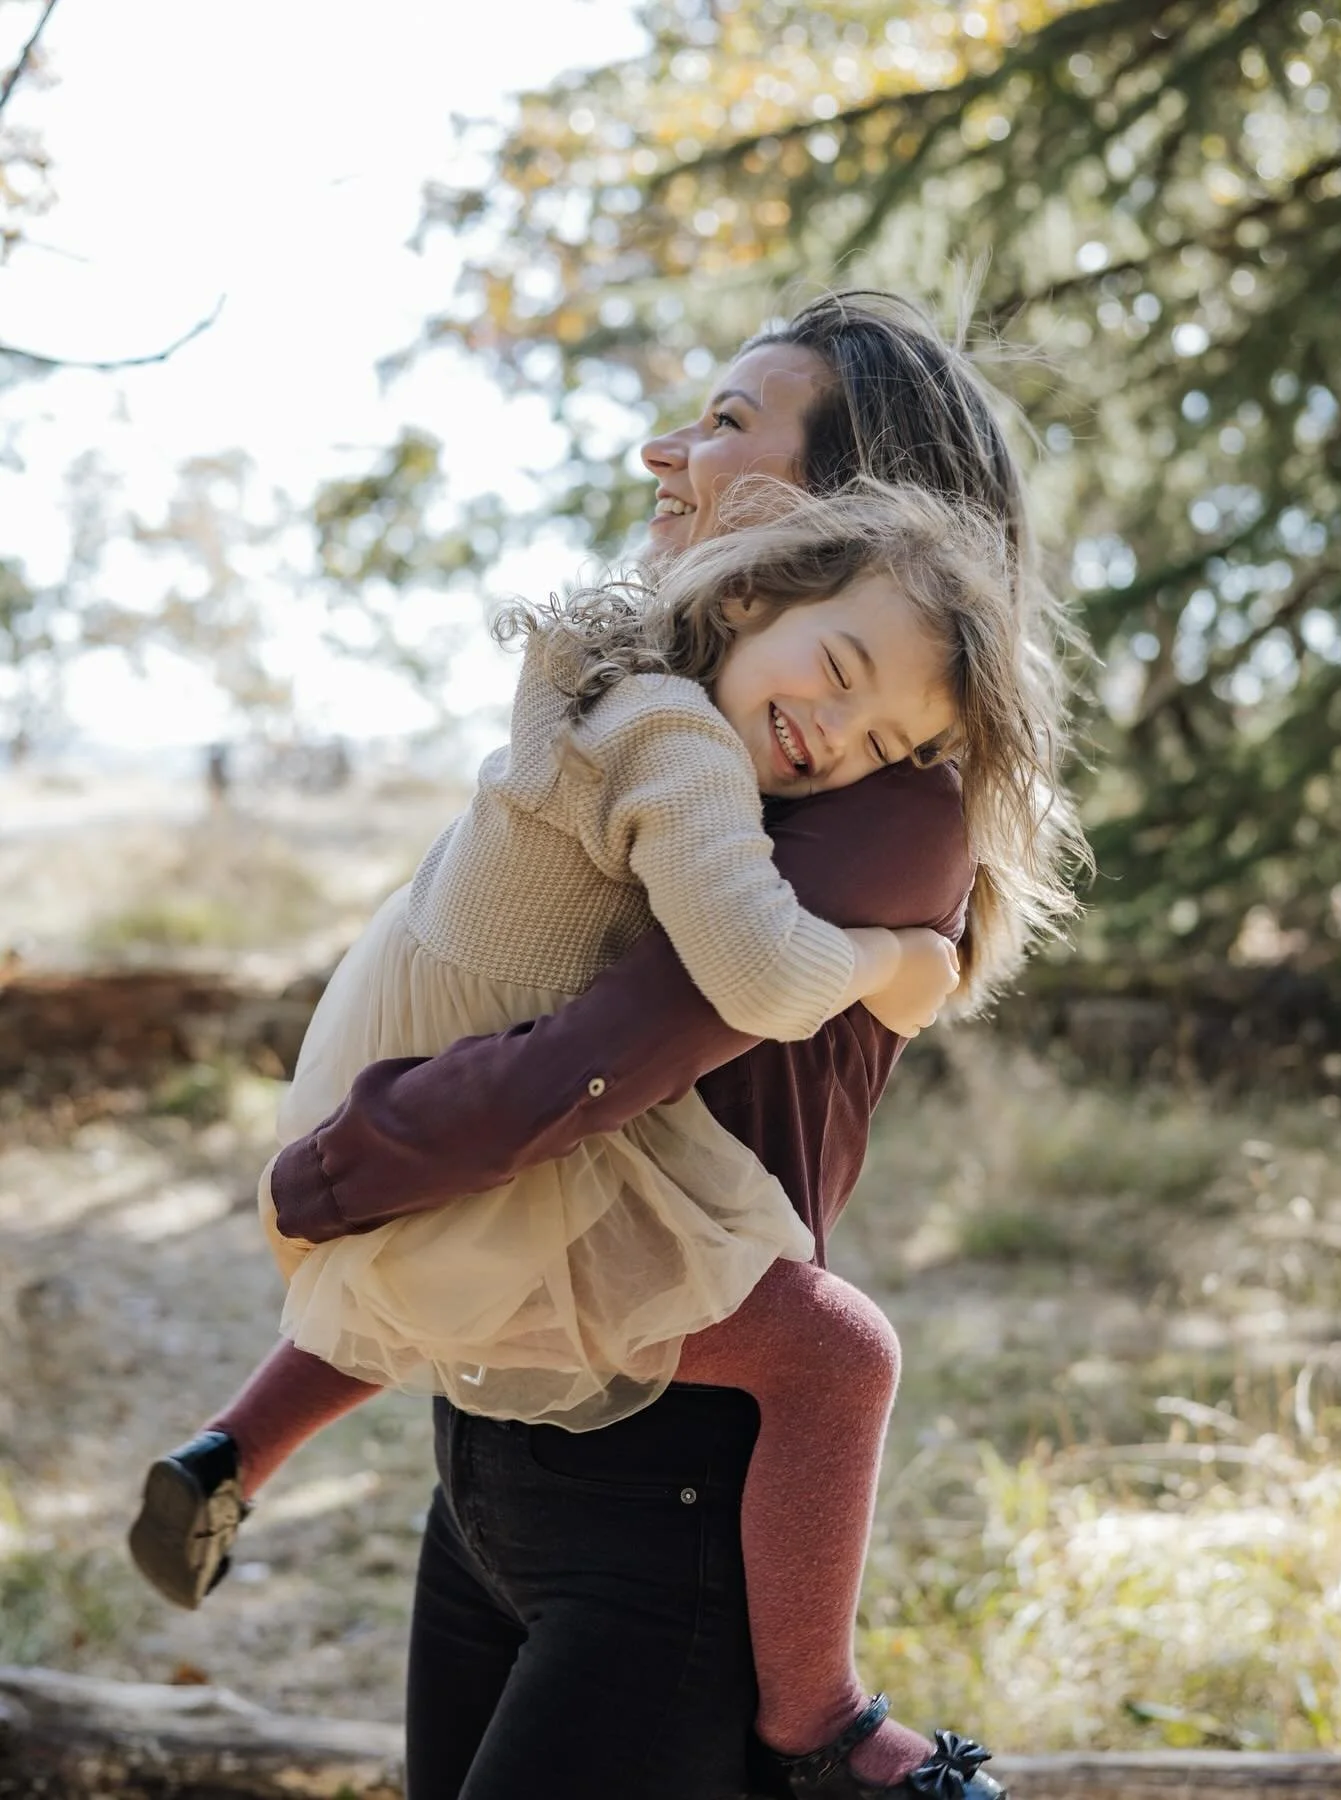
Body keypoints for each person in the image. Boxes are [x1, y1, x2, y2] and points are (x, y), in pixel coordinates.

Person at [141, 290, 1085, 1800]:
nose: (665, 451)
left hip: (667, 1501)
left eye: (725, 423)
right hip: (504, 1463)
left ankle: (827, 1724)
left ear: (839, 514)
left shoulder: (879, 808)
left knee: (844, 1360)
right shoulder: (693, 715)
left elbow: (603, 1055)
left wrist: (351, 1163)